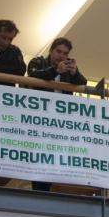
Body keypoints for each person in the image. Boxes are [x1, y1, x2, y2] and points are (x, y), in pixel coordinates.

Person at [25, 36, 88, 191]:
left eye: (65, 53)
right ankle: (38, 191)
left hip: (59, 121)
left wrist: (74, 73)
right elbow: (33, 76)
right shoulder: (38, 62)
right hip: (39, 119)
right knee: (38, 157)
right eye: (58, 52)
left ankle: (45, 190)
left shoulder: (67, 68)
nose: (61, 56)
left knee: (53, 158)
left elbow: (83, 82)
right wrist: (55, 70)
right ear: (51, 51)